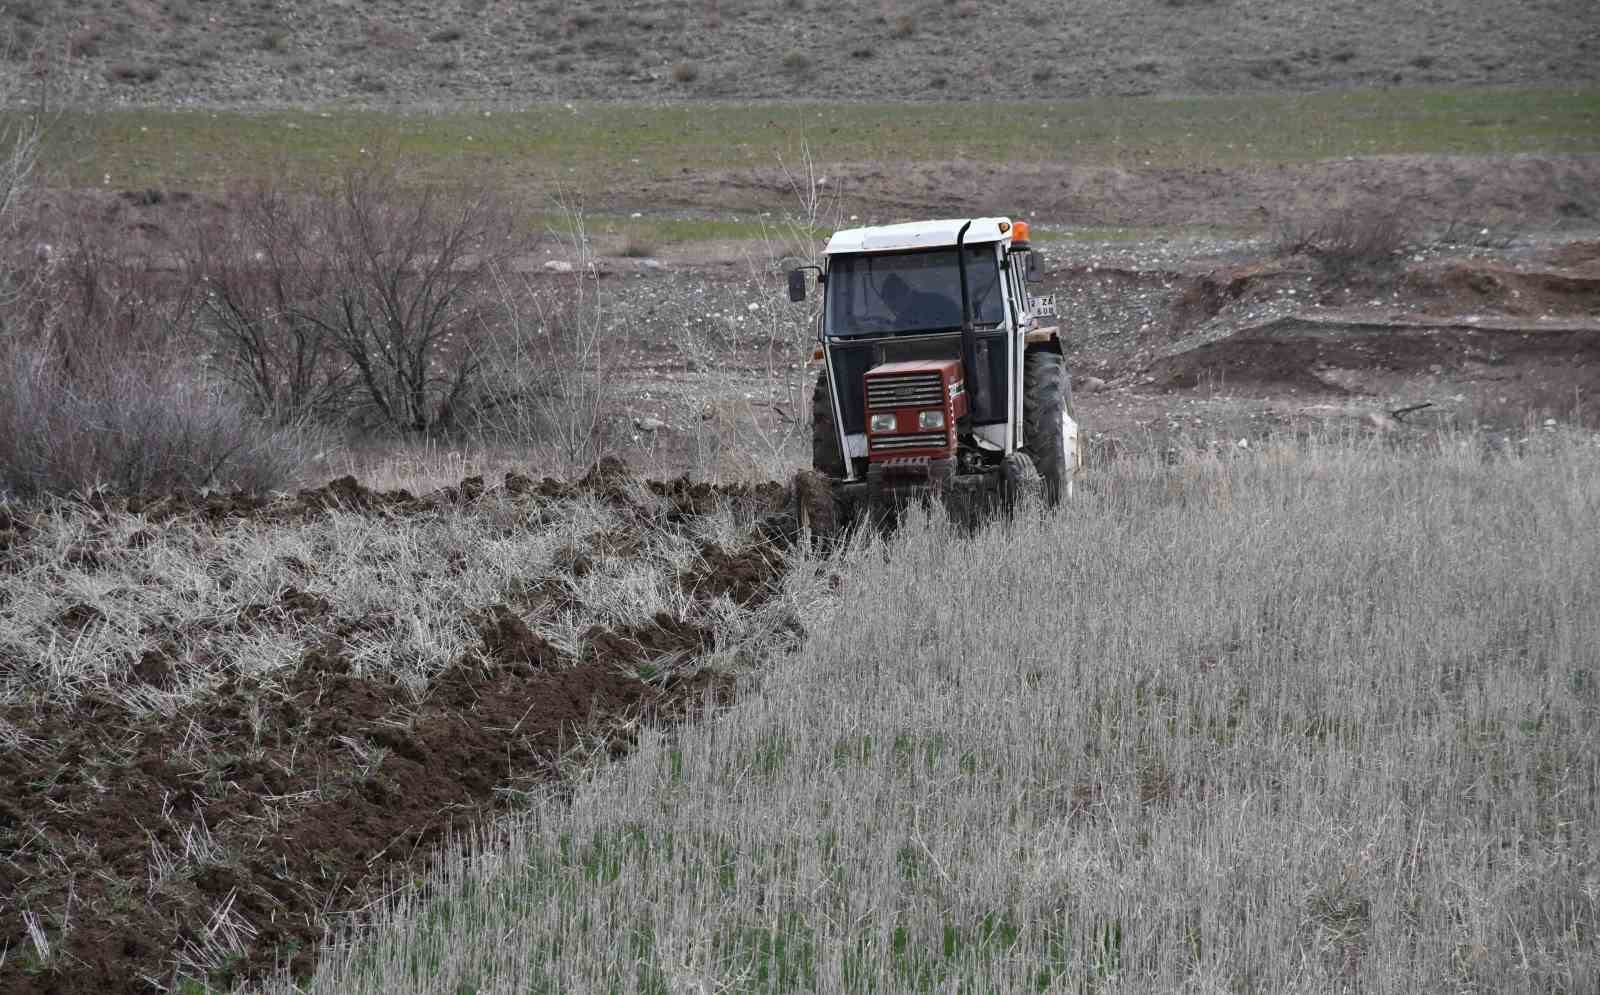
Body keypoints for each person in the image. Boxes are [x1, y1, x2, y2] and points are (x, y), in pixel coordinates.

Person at [881, 273, 957, 330]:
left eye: (894, 306)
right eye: (891, 308)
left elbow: (959, 324)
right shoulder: (901, 321)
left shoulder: (938, 303)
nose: (895, 311)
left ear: (904, 294)